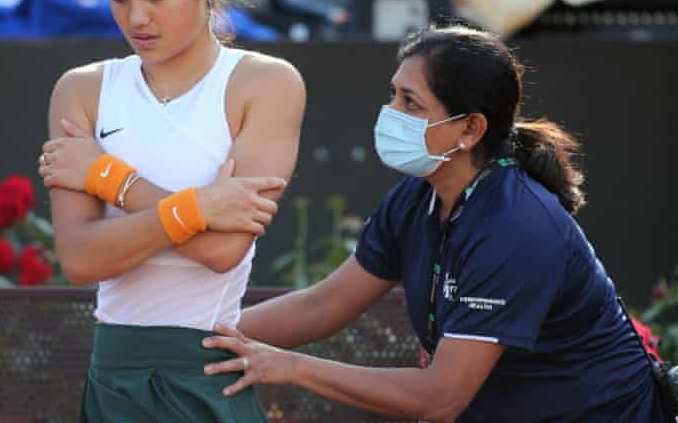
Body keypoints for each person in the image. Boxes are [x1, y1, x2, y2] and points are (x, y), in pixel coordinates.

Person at [201, 24, 666, 422]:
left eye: (410, 102)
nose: (390, 114)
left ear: (470, 130)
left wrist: (290, 367)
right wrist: (195, 335)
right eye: (393, 95)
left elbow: (442, 398)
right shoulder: (417, 196)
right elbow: (322, 306)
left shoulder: (516, 226)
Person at [36, 0, 305, 421]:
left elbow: (222, 249)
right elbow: (82, 258)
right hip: (111, 379)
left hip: (204, 380)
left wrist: (106, 177)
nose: (136, 17)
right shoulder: (81, 90)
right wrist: (199, 207)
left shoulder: (267, 83)